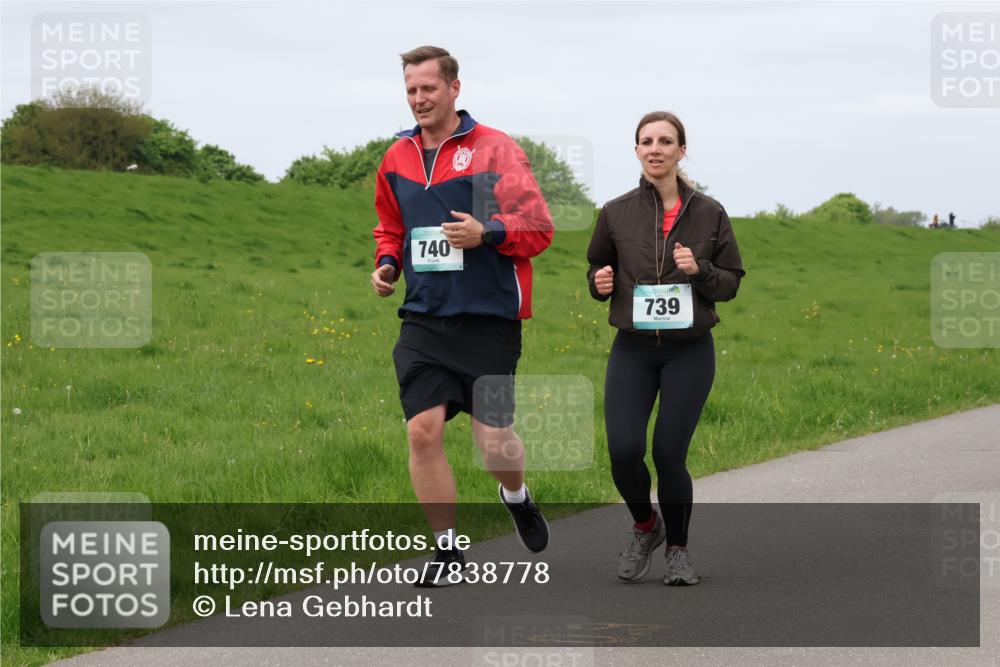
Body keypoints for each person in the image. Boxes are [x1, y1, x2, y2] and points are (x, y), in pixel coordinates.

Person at [371, 46, 554, 586]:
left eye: (428, 88)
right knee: (422, 433)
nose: (419, 99)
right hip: (424, 321)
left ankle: (515, 495)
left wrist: (487, 232)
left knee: (494, 442)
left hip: (490, 320)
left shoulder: (494, 150)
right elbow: (391, 227)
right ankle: (448, 551)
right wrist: (385, 264)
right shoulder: (396, 157)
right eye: (411, 90)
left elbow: (539, 228)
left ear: (454, 88)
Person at [586, 111, 745, 585]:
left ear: (681, 150)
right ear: (636, 151)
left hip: (688, 351)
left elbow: (732, 283)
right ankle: (644, 526)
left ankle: (677, 549)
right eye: (646, 141)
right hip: (633, 349)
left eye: (666, 141)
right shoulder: (615, 212)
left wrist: (700, 272)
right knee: (623, 450)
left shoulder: (709, 212)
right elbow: (597, 268)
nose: (655, 148)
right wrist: (599, 284)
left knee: (668, 453)